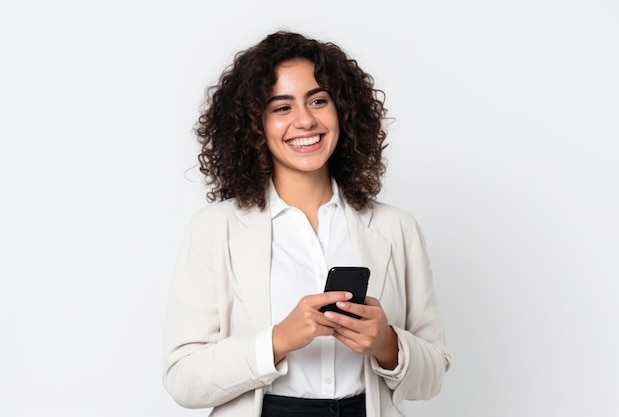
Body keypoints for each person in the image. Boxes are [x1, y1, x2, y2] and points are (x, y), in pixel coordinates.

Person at [163, 31, 451, 417]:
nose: (305, 120)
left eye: (318, 101)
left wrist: (386, 343)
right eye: (282, 107)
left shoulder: (396, 228)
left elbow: (433, 378)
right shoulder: (215, 230)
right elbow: (183, 379)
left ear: (343, 111)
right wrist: (278, 340)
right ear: (254, 124)